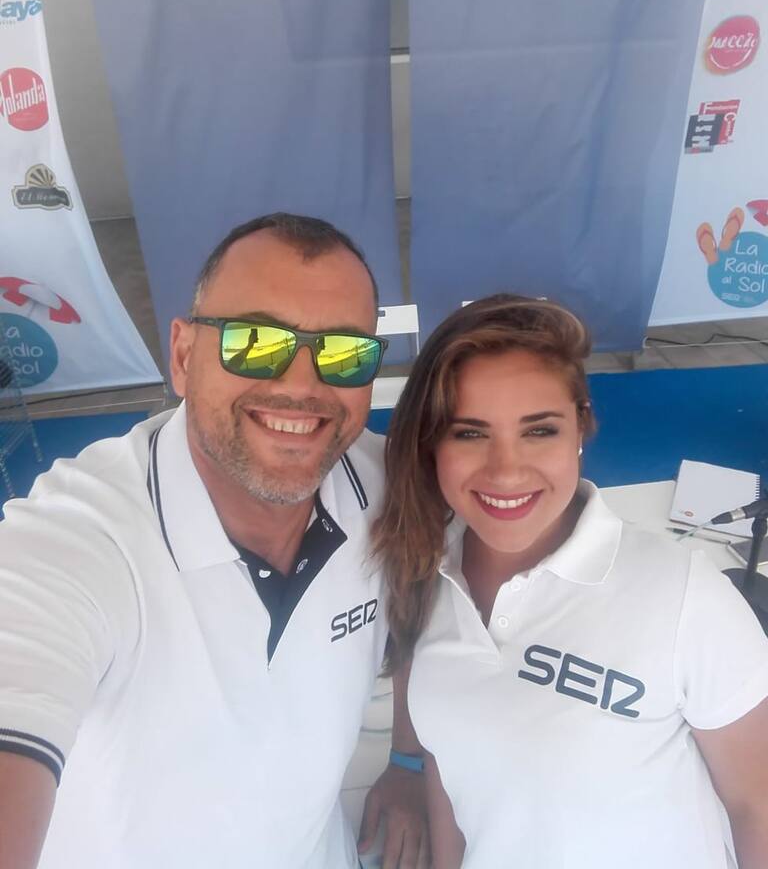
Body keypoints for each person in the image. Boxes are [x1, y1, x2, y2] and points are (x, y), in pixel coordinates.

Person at [0, 213, 426, 869]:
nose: (301, 385)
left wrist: (410, 759)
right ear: (183, 356)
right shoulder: (76, 541)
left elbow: (431, 603)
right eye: (255, 342)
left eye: (343, 353)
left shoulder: (388, 487)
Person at [372, 294, 768, 869]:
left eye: (539, 430)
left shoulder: (683, 594)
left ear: (580, 426)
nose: (506, 470)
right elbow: (448, 762)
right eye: (470, 434)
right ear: (431, 443)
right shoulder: (422, 577)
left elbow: (757, 804)